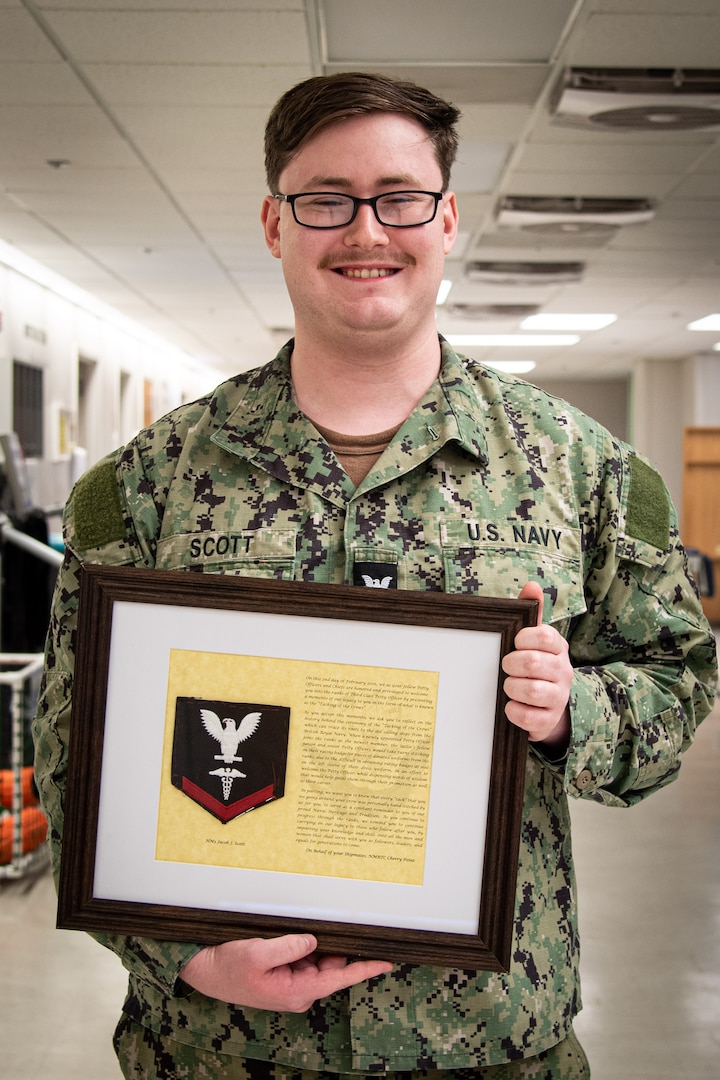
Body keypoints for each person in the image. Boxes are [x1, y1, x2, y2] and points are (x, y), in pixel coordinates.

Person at [33, 71, 716, 1080]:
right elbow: (71, 748)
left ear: (445, 218)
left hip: (486, 1045)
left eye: (399, 197)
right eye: (325, 199)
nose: (366, 231)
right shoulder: (147, 485)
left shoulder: (583, 472)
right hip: (221, 1048)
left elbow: (679, 680)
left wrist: (579, 706)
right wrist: (182, 956)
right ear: (275, 222)